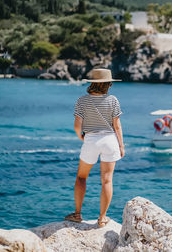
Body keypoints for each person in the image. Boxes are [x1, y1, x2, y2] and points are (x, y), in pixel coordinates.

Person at [64, 68, 124, 228]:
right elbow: (117, 126)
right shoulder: (113, 100)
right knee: (107, 180)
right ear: (108, 84)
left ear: (93, 83)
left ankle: (77, 214)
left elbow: (77, 126)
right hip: (110, 140)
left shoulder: (82, 100)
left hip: (91, 139)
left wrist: (81, 137)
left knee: (81, 177)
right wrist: (121, 145)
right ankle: (102, 218)